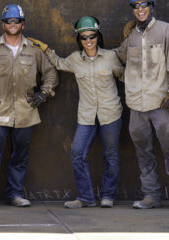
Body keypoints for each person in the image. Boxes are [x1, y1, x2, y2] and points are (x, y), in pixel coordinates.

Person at [0, 4, 58, 210]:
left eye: (16, 21)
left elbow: (50, 72)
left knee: (19, 157)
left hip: (26, 112)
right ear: (3, 24)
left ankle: (15, 194)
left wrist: (44, 92)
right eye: (9, 21)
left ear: (22, 24)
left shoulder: (33, 49)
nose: (12, 24)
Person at [27, 16, 124, 209]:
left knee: (110, 156)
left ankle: (108, 196)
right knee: (77, 153)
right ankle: (86, 197)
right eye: (84, 37)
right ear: (79, 40)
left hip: (111, 113)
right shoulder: (74, 60)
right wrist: (46, 49)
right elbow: (59, 63)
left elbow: (126, 76)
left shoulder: (111, 57)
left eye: (92, 36)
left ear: (98, 36)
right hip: (87, 115)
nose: (88, 41)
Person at [115, 0, 169, 211]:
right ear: (133, 10)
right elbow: (118, 57)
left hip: (161, 102)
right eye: (136, 6)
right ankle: (151, 196)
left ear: (151, 6)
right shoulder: (132, 36)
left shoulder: (166, 31)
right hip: (136, 104)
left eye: (144, 5)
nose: (140, 10)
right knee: (143, 151)